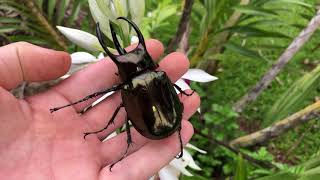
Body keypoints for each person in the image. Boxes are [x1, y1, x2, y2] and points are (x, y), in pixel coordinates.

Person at [0, 40, 200, 179]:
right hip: (168, 123)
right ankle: (176, 132)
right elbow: (171, 94)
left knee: (124, 109)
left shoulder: (129, 86)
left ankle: (134, 142)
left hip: (156, 126)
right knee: (127, 109)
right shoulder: (160, 76)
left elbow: (127, 113)